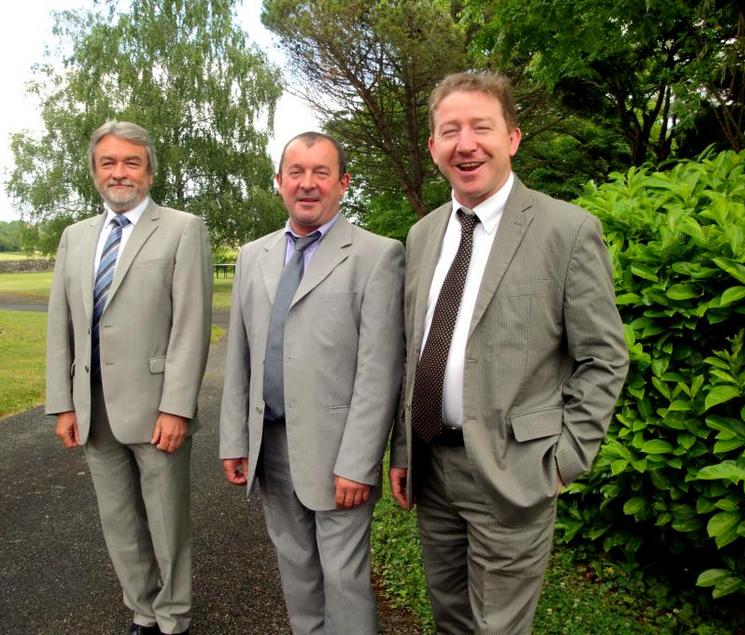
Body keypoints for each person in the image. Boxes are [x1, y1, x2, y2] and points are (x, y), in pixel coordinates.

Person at [389, 71, 629, 634]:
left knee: (498, 628)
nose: (465, 143)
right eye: (450, 130)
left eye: (481, 127)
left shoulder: (567, 231)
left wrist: (565, 460)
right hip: (433, 468)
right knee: (449, 618)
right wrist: (403, 449)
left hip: (514, 473)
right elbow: (413, 353)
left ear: (513, 138)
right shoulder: (421, 235)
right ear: (432, 146)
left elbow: (604, 357)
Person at [220, 131, 404, 635]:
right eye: (295, 173)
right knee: (296, 567)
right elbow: (239, 355)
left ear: (342, 183)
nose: (307, 184)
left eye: (320, 172)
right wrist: (236, 439)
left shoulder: (377, 256)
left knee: (343, 579)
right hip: (271, 445)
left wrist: (359, 461)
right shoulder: (253, 256)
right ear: (278, 182)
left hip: (338, 453)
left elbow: (379, 369)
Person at [46, 121, 212, 635]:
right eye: (108, 163)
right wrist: (63, 404)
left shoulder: (183, 228)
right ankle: (142, 612)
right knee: (119, 522)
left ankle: (174, 617)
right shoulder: (74, 237)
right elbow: (61, 325)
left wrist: (177, 406)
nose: (119, 173)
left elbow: (191, 324)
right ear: (95, 171)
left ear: (151, 170)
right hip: (92, 408)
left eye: (131, 162)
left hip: (157, 405)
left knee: (166, 524)